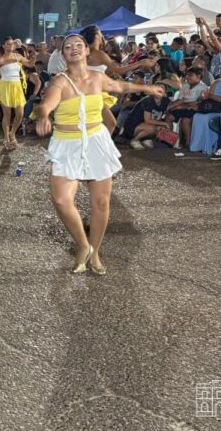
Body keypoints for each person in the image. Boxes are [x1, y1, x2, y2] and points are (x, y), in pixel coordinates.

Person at [34, 34, 161, 275]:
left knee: (101, 202)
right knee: (61, 200)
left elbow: (121, 86)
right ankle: (82, 244)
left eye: (78, 46)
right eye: (68, 47)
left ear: (86, 52)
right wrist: (42, 115)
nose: (74, 49)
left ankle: (95, 251)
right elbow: (46, 104)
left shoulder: (97, 78)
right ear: (63, 55)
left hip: (95, 141)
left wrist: (148, 87)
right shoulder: (59, 82)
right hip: (67, 144)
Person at [0, 37, 35, 149]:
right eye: (8, 44)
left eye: (12, 44)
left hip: (17, 86)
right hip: (5, 86)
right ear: (3, 46)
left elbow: (29, 64)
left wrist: (33, 58)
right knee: (7, 115)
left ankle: (12, 132)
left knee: (20, 114)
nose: (11, 46)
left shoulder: (17, 56)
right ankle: (6, 138)